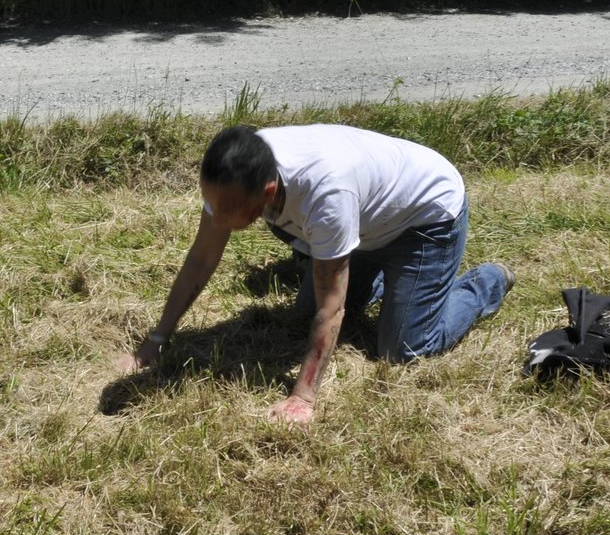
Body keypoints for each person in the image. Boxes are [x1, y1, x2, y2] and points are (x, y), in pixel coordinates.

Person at [117, 124, 513, 426]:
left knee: (403, 349)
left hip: (424, 218)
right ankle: (387, 281)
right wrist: (155, 341)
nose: (214, 217)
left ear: (268, 192)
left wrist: (303, 397)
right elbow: (201, 260)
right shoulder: (236, 174)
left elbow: (332, 306)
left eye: (227, 210)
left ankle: (486, 282)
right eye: (211, 203)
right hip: (364, 220)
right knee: (304, 315)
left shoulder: (326, 195)